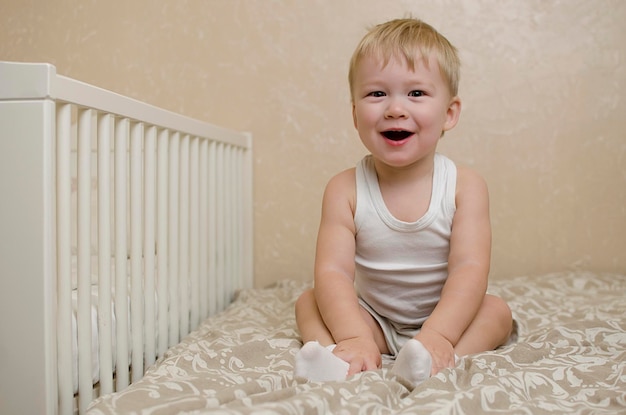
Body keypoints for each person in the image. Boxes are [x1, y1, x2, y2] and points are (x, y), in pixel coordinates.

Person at [293, 17, 513, 387]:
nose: (395, 109)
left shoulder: (464, 186)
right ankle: (347, 356)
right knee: (308, 302)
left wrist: (439, 335)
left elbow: (469, 268)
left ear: (449, 113)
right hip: (373, 320)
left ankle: (438, 360)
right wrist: (355, 334)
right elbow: (334, 272)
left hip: (448, 318)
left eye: (416, 94)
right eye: (377, 94)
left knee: (497, 312)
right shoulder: (344, 189)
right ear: (354, 114)